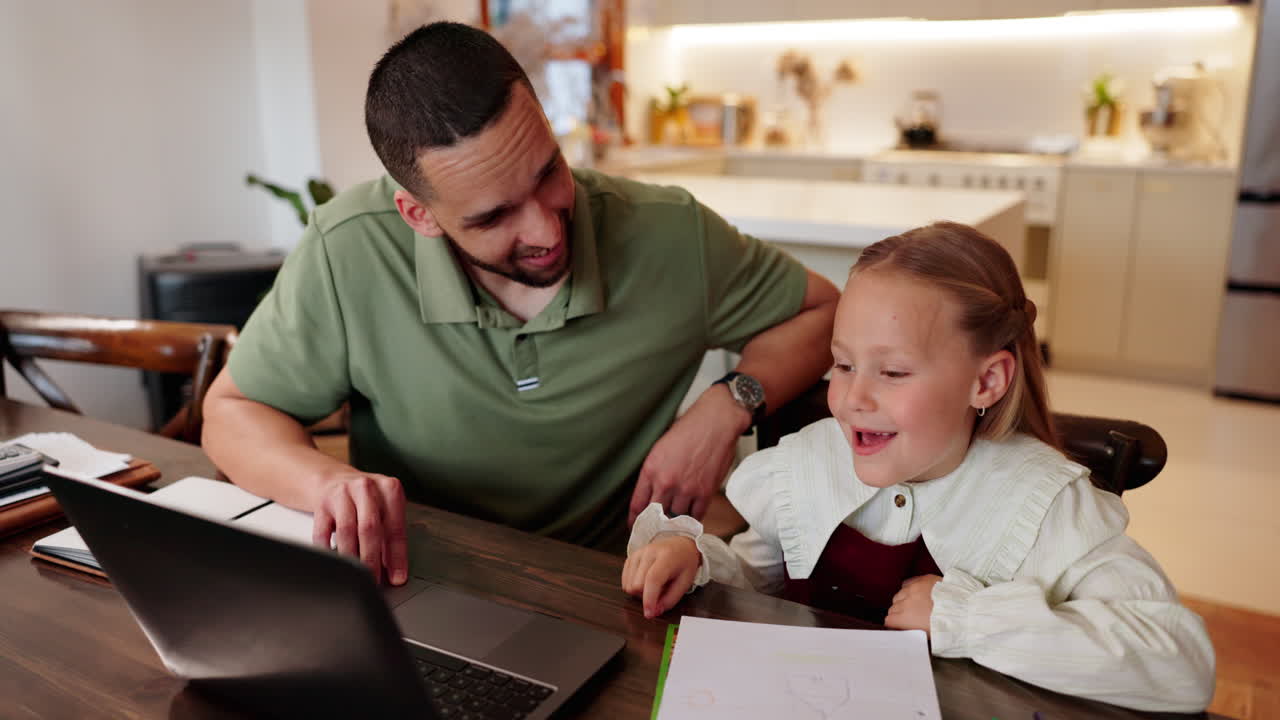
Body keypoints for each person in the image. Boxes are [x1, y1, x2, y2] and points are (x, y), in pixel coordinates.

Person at [201, 22, 839, 586]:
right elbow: (234, 411)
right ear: (418, 214)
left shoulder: (670, 233)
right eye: (494, 215)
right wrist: (325, 482)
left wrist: (727, 404)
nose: (546, 230)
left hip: (612, 586)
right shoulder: (348, 249)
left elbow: (821, 312)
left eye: (548, 172)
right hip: (419, 580)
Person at [622, 221, 1215, 713]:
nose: (853, 399)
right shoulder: (812, 462)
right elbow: (762, 577)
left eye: (894, 372)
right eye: (843, 365)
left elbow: (1181, 665)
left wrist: (967, 620)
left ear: (985, 381)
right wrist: (699, 559)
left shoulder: (1047, 506)